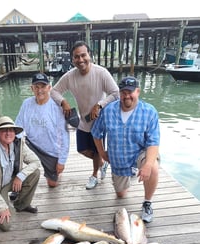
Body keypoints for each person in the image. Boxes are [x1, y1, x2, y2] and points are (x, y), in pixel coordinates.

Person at [50, 41, 119, 190]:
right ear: (72, 59)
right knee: (82, 149)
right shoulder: (69, 76)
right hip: (83, 119)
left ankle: (94, 175)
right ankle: (102, 163)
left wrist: (100, 104)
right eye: (76, 57)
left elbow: (116, 93)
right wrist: (63, 102)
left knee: (95, 150)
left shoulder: (101, 73)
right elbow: (53, 91)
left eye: (83, 55)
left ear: (90, 55)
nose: (80, 60)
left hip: (99, 119)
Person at [91, 76, 160, 223]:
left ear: (138, 91)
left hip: (139, 153)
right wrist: (102, 153)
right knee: (121, 194)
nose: (127, 96)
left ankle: (147, 202)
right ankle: (130, 174)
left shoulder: (149, 111)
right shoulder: (108, 110)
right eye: (123, 92)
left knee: (153, 167)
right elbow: (96, 133)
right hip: (118, 159)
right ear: (119, 93)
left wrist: (147, 165)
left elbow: (153, 142)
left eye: (130, 92)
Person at [0, 116, 41, 232]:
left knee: (35, 173)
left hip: (8, 182)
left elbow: (36, 161)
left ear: (15, 132)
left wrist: (20, 176)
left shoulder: (18, 144)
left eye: (11, 130)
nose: (8, 133)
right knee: (6, 225)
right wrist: (1, 207)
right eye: (4, 130)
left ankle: (21, 205)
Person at [15, 72, 70, 188]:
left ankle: (53, 173)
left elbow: (65, 136)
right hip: (30, 145)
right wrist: (16, 148)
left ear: (49, 88)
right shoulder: (26, 104)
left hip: (50, 151)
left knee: (52, 184)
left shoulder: (57, 107)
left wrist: (62, 161)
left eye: (43, 87)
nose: (40, 90)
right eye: (36, 87)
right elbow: (18, 127)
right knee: (13, 151)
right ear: (32, 88)